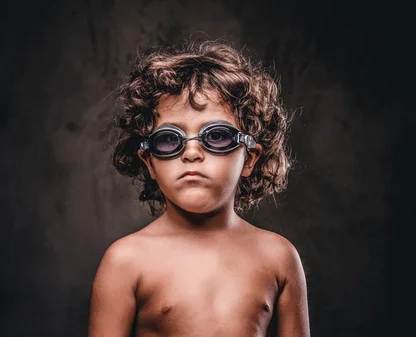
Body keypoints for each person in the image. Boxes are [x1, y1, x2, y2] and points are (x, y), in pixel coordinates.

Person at [87, 38, 310, 337]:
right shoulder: (127, 260)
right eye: (169, 140)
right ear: (150, 162)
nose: (191, 153)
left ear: (250, 158)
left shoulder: (278, 257)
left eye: (216, 136)